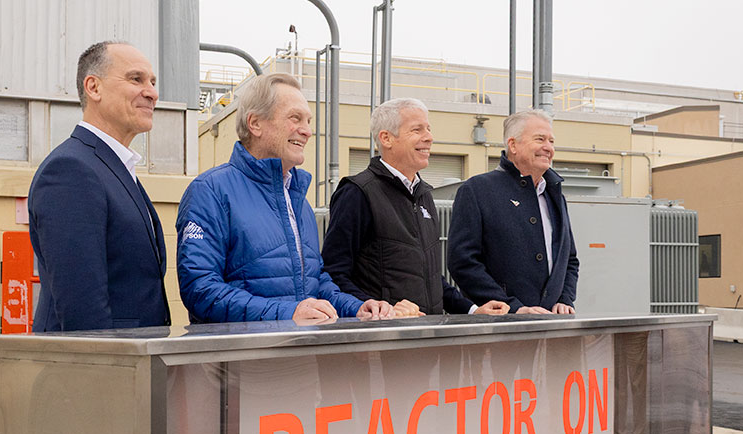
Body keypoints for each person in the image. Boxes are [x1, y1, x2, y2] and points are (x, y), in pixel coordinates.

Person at [176, 73, 391, 323]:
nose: (307, 131)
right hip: (240, 358)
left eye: (308, 121)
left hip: (299, 354)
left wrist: (357, 307)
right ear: (255, 123)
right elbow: (200, 289)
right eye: (295, 118)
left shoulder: (297, 198)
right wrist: (288, 314)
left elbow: (315, 283)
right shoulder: (210, 191)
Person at [28, 41, 170, 332]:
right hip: (98, 370)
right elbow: (82, 307)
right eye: (136, 79)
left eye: (153, 82)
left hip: (132, 363)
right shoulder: (71, 171)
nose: (152, 93)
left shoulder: (114, 167)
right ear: (93, 88)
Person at [322, 98, 508, 317]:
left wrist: (472, 309)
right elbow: (334, 274)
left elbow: (430, 278)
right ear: (386, 138)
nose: (429, 137)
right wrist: (377, 309)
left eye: (428, 129)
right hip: (382, 338)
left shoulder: (423, 195)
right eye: (417, 130)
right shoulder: (357, 193)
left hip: (425, 335)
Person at [448, 109, 579, 315]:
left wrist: (565, 298)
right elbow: (462, 262)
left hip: (551, 323)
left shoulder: (555, 196)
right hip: (498, 325)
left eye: (551, 141)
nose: (548, 148)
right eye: (540, 139)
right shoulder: (477, 190)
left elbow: (569, 259)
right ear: (513, 145)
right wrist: (512, 307)